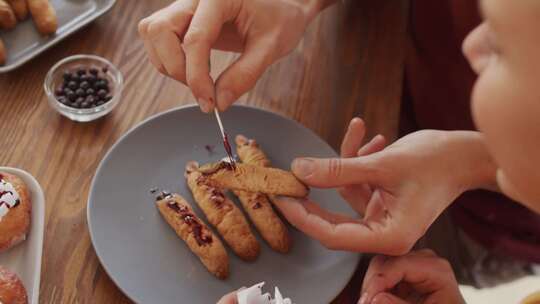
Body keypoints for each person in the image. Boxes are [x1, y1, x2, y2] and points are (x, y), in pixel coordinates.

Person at [138, 0, 540, 302]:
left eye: (501, 46)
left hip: (484, 224)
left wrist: (473, 165)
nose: (468, 45)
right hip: (400, 76)